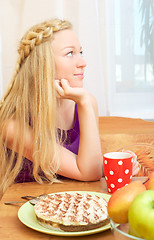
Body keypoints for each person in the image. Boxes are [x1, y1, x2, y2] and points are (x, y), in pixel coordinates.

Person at [0, 18, 139, 198]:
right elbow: (86, 172)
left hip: (69, 203)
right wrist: (86, 101)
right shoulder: (12, 125)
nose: (82, 62)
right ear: (44, 65)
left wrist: (113, 165)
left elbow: (87, 168)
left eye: (81, 52)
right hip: (26, 209)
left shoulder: (83, 104)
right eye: (70, 53)